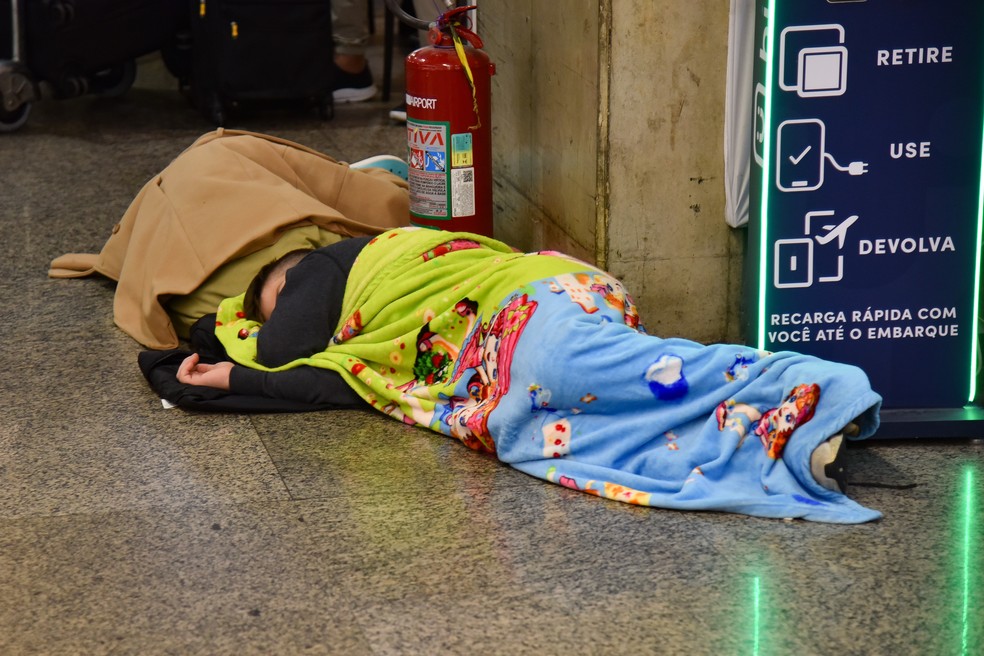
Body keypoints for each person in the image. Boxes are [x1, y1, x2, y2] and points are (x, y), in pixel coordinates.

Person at [176, 228, 883, 524]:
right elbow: (330, 379)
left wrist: (240, 361)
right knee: (592, 432)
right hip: (513, 351)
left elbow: (280, 354)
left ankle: (815, 383)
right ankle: (787, 443)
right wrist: (230, 383)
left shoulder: (335, 266)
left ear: (293, 278)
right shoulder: (363, 345)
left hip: (529, 308)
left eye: (270, 302)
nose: (276, 320)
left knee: (588, 370)